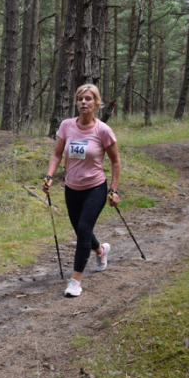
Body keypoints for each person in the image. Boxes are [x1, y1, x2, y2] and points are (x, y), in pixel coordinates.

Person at [42, 84, 121, 298]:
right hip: (72, 188)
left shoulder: (103, 130)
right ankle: (101, 251)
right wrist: (49, 175)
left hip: (95, 188)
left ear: (96, 103)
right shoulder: (67, 126)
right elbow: (57, 154)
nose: (83, 102)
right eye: (80, 99)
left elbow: (115, 161)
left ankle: (75, 281)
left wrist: (113, 189)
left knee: (84, 230)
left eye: (88, 99)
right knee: (80, 230)